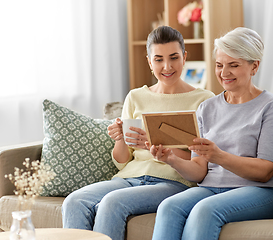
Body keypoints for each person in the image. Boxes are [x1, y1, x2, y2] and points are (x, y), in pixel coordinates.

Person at [61, 26, 214, 240]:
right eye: (158, 59)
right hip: (129, 177)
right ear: (150, 62)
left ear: (184, 57)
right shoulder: (135, 97)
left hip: (173, 181)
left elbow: (201, 164)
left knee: (112, 203)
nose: (167, 66)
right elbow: (123, 161)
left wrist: (158, 147)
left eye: (173, 57)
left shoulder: (204, 99)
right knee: (74, 201)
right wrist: (120, 139)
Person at [148, 27, 273, 240]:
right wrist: (171, 159)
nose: (224, 73)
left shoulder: (271, 106)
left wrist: (219, 156)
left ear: (254, 66)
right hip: (211, 187)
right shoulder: (206, 108)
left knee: (205, 211)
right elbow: (198, 172)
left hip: (261, 191)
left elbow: (265, 171)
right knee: (168, 207)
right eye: (219, 65)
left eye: (233, 65)